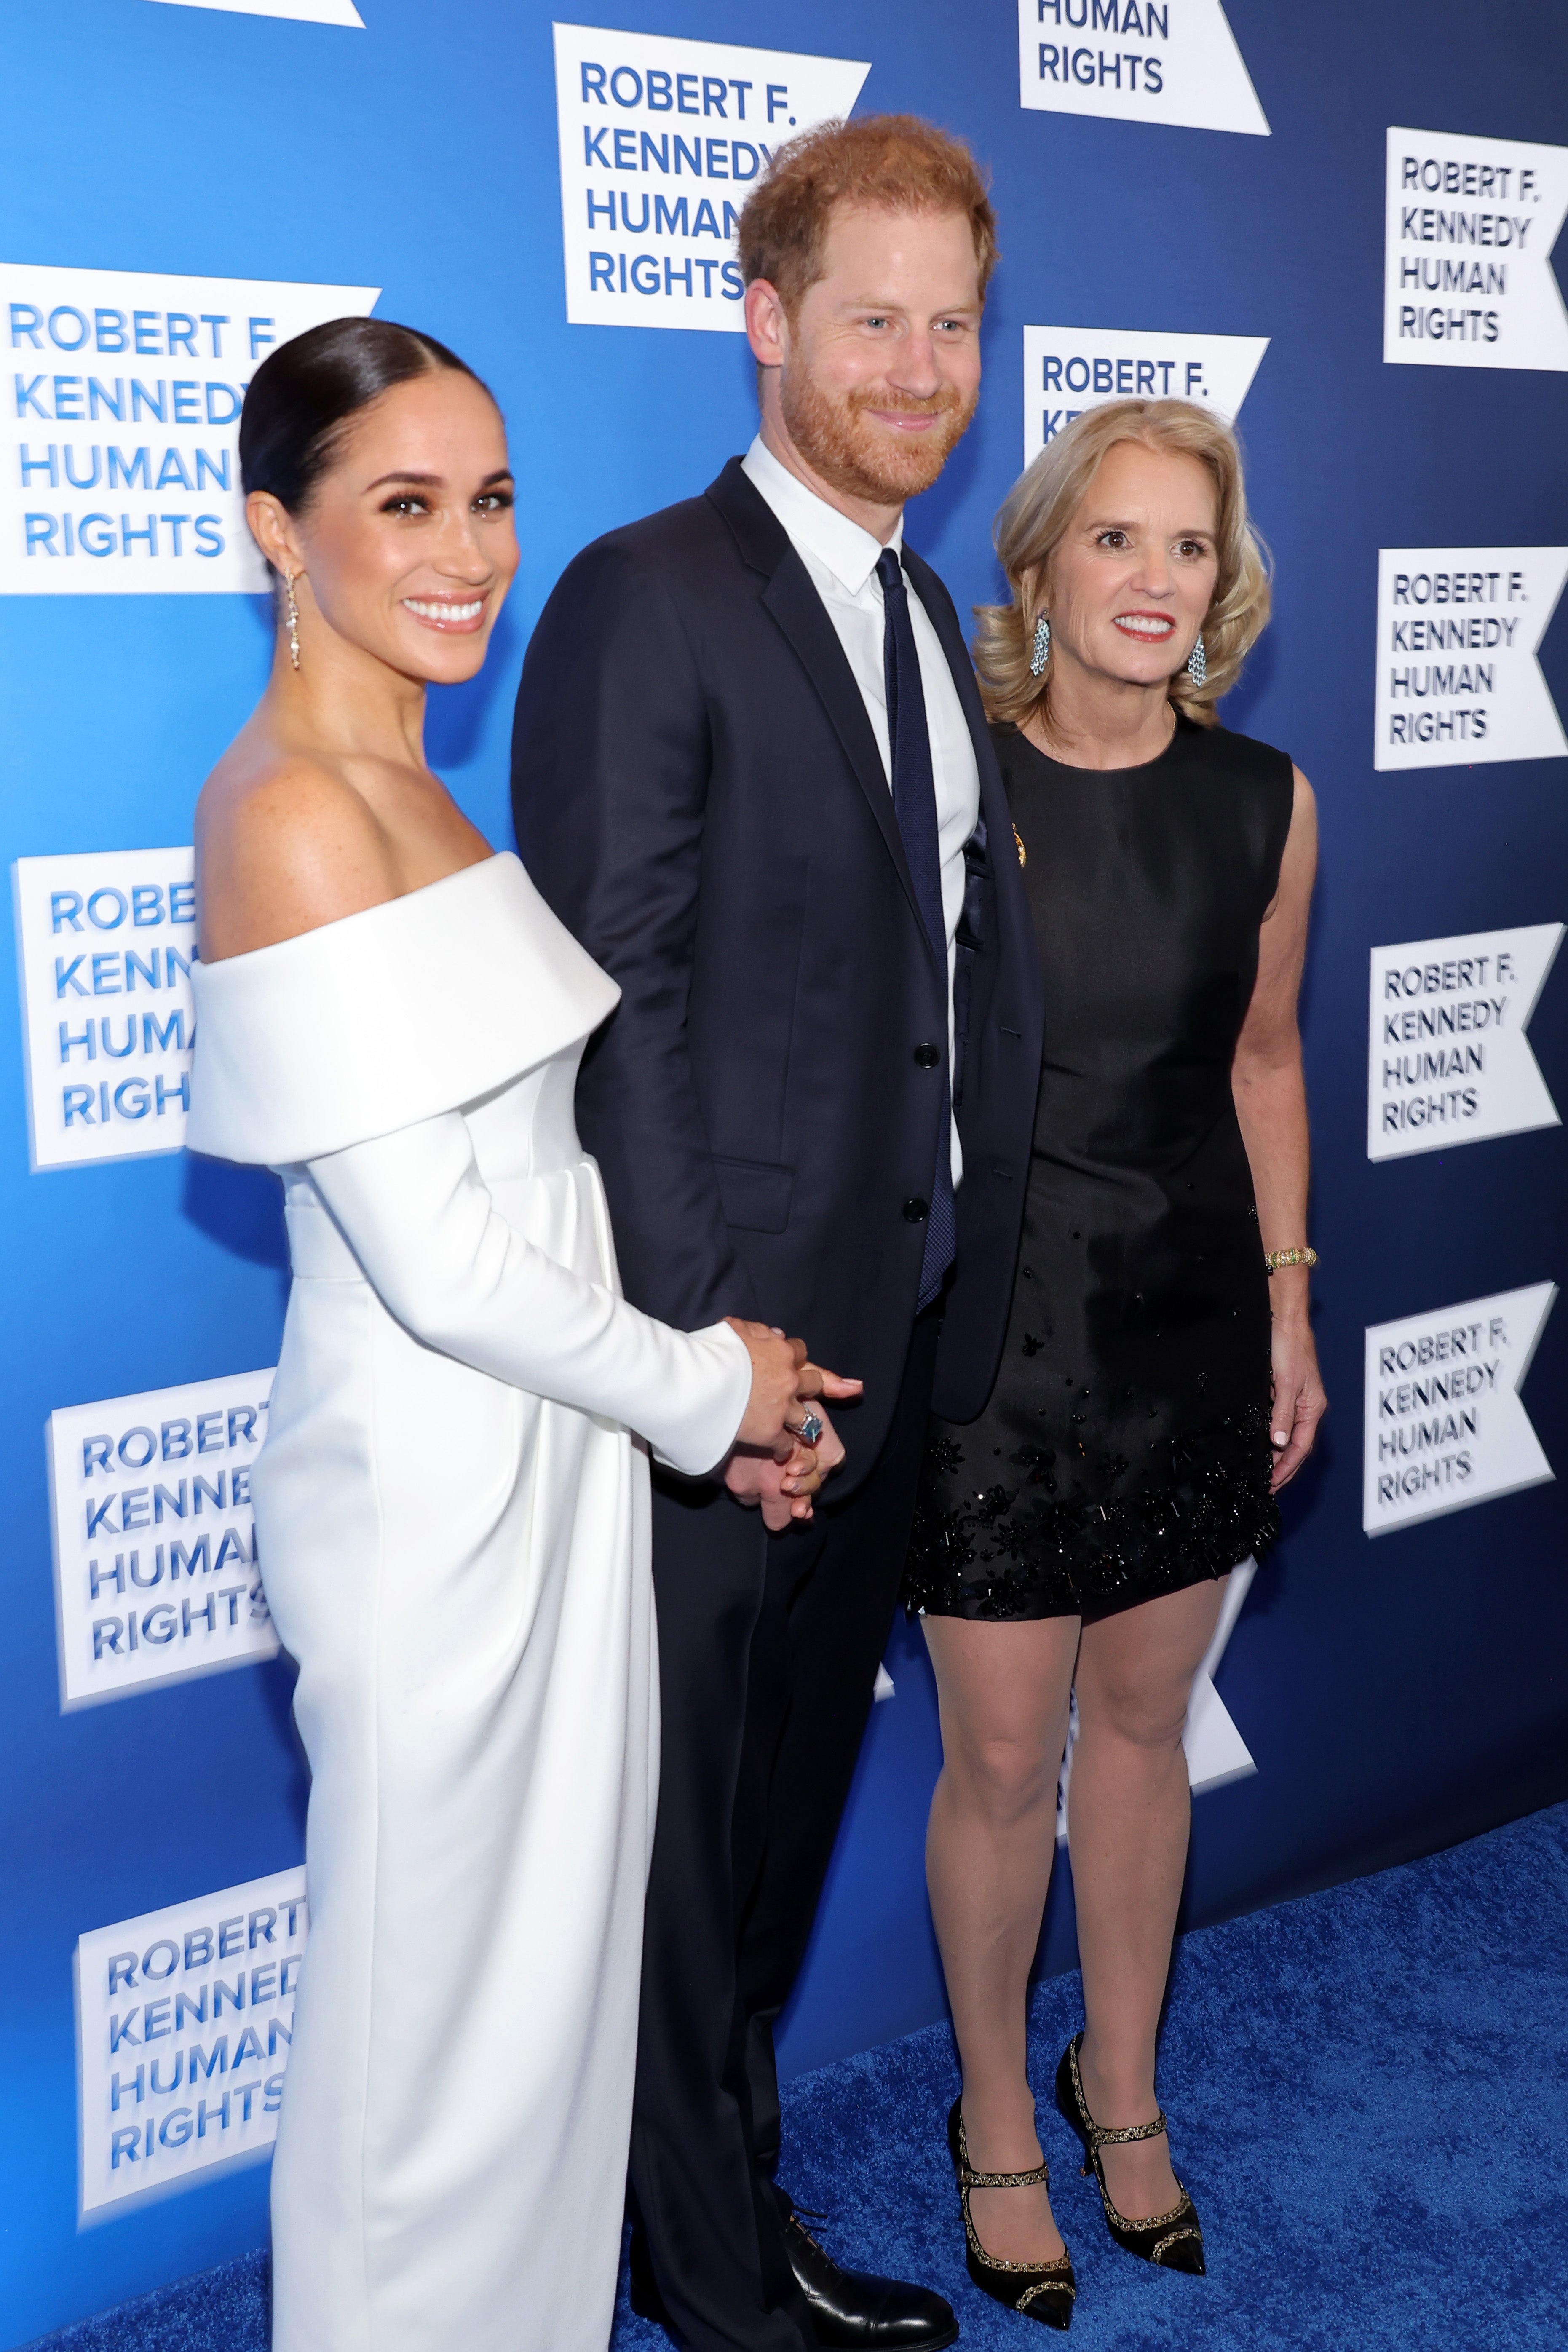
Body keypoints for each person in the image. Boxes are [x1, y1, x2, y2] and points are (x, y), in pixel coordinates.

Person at [185, 317, 856, 2352]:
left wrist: (697, 1400)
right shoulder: (292, 812)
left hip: (549, 1476)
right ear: (272, 537)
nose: (468, 549)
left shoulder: (424, 792)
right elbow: (438, 1260)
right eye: (403, 503)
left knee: (543, 2038)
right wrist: (708, 1384)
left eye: (488, 497)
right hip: (429, 1510)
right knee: (421, 2082)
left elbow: (536, 1203)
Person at [513, 117, 1043, 2352]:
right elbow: (611, 995)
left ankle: (722, 2219)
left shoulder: (924, 604)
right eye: (871, 322)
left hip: (884, 1349)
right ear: (763, 322)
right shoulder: (650, 593)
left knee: (764, 1840)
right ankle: (716, 2298)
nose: (916, 369)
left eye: (950, 324)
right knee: (674, 1868)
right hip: (727, 1375)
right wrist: (702, 1358)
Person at [906, 399, 1326, 2327]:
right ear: (1041, 568)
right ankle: (997, 2107)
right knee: (1001, 1759)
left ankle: (1122, 2083)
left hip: (1184, 1325)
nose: (1153, 581)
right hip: (994, 1334)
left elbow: (1257, 1062)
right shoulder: (954, 792)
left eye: (1186, 547)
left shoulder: (1269, 803)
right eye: (1115, 542)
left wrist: (1290, 1304)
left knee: (1141, 1739)